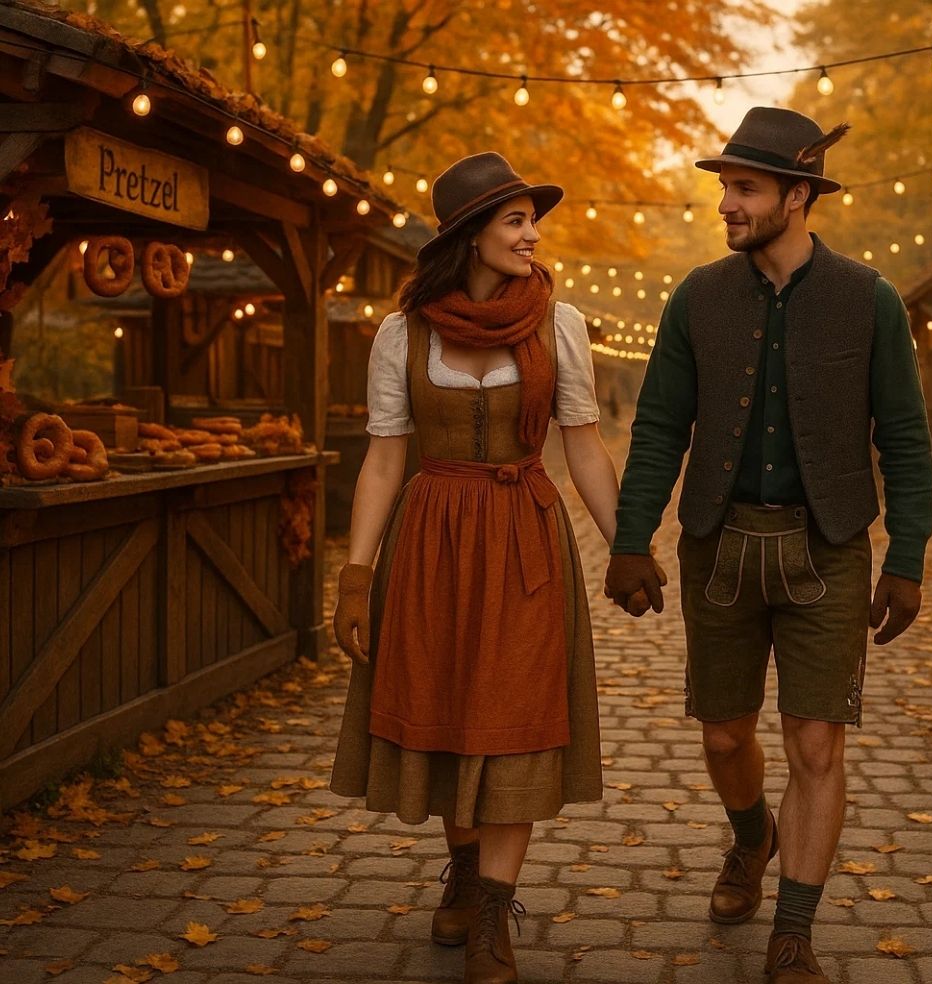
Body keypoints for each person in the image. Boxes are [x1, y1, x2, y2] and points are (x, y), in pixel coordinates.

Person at [604, 107, 932, 983]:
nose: (728, 205)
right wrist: (632, 537)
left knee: (817, 745)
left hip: (828, 550)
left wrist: (907, 557)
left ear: (799, 195)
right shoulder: (696, 298)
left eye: (745, 189)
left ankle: (794, 931)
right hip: (719, 544)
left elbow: (904, 434)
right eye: (724, 189)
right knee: (723, 737)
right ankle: (752, 837)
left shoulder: (870, 300)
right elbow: (659, 429)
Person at [329, 152, 629, 984]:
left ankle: (494, 911)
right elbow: (385, 460)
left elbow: (584, 447)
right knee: (446, 707)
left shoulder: (557, 326)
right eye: (515, 221)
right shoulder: (404, 332)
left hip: (526, 538)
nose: (533, 236)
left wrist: (627, 545)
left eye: (534, 220)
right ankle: (463, 864)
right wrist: (357, 573)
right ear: (469, 236)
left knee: (517, 717)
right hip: (432, 541)